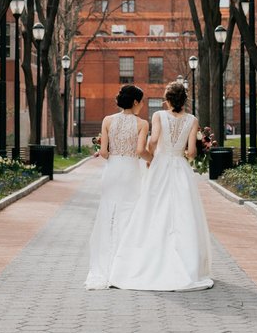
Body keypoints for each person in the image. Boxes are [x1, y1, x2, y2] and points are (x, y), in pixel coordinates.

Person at [108, 81, 213, 291]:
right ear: (185, 100)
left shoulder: (158, 116)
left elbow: (153, 140)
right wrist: (185, 152)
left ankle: (148, 259)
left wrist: (152, 155)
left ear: (167, 100)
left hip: (160, 165)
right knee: (183, 213)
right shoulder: (192, 120)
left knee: (153, 209)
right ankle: (186, 262)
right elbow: (191, 152)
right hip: (180, 168)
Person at [84, 85, 150, 290]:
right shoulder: (142, 124)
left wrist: (112, 151)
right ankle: (124, 267)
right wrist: (155, 160)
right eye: (142, 101)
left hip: (112, 172)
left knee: (107, 217)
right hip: (130, 173)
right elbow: (140, 151)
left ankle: (105, 266)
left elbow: (104, 152)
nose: (143, 105)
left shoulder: (107, 120)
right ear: (136, 102)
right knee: (129, 218)